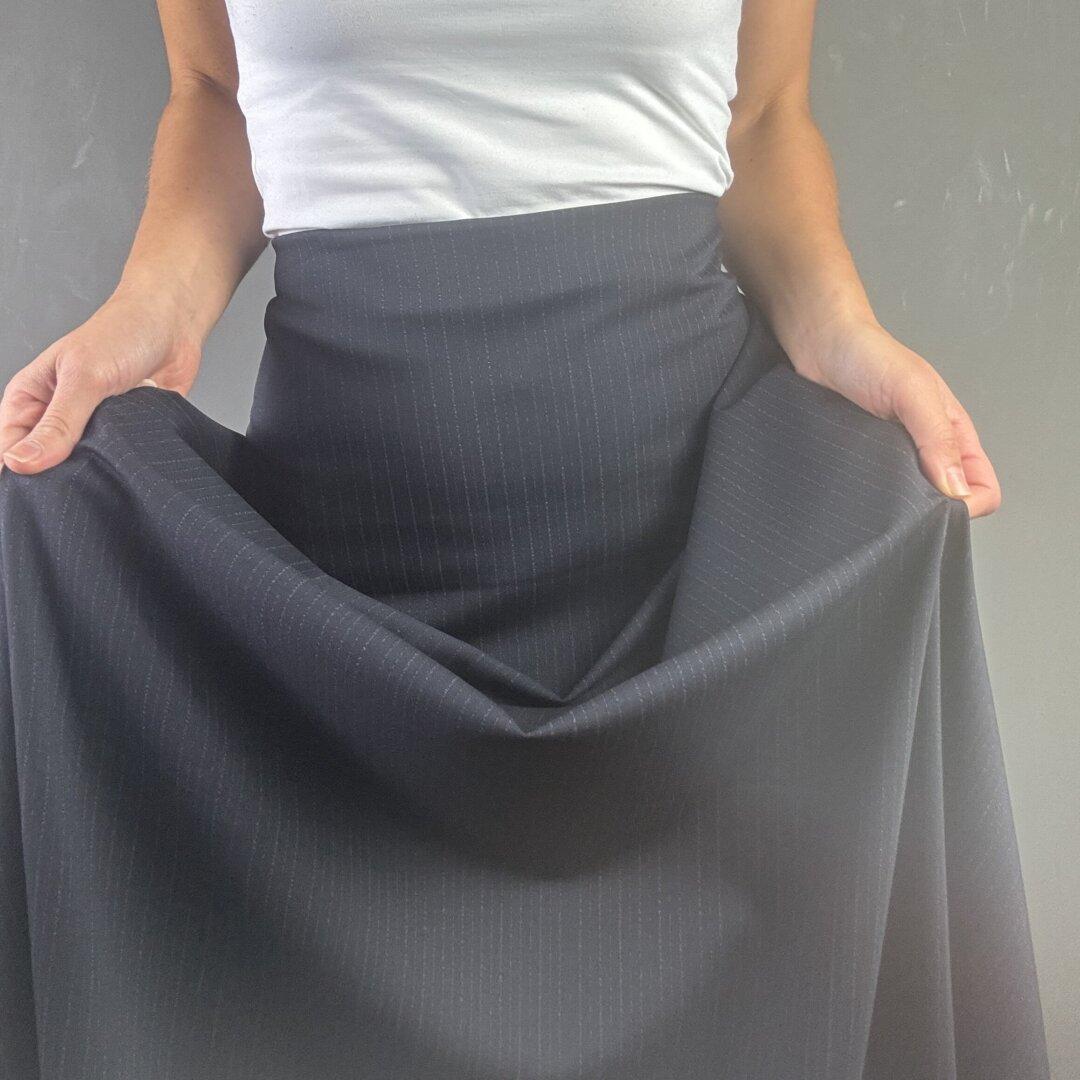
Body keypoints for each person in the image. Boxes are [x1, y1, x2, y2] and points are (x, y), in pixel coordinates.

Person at [0, 2, 1047, 1078]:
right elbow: (217, 98)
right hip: (343, 588)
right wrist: (151, 310)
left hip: (690, 577)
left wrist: (843, 332)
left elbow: (765, 117)